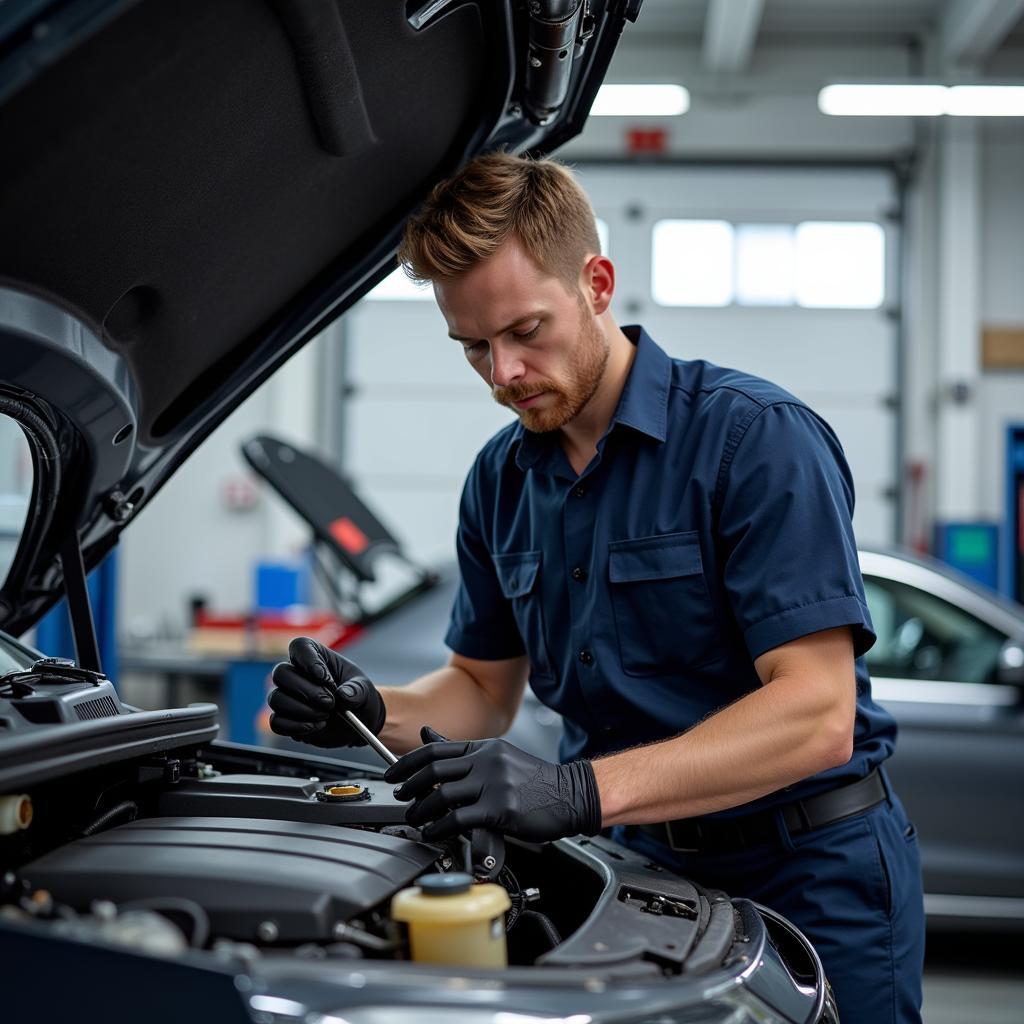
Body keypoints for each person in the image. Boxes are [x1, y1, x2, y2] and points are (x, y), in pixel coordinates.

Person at [268, 152, 924, 1022]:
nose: (502, 373)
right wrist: (365, 705)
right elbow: (479, 691)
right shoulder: (499, 481)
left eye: (525, 331)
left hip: (813, 873)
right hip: (638, 879)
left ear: (598, 283)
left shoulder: (754, 441)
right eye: (474, 346)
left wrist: (578, 792)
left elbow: (816, 713)